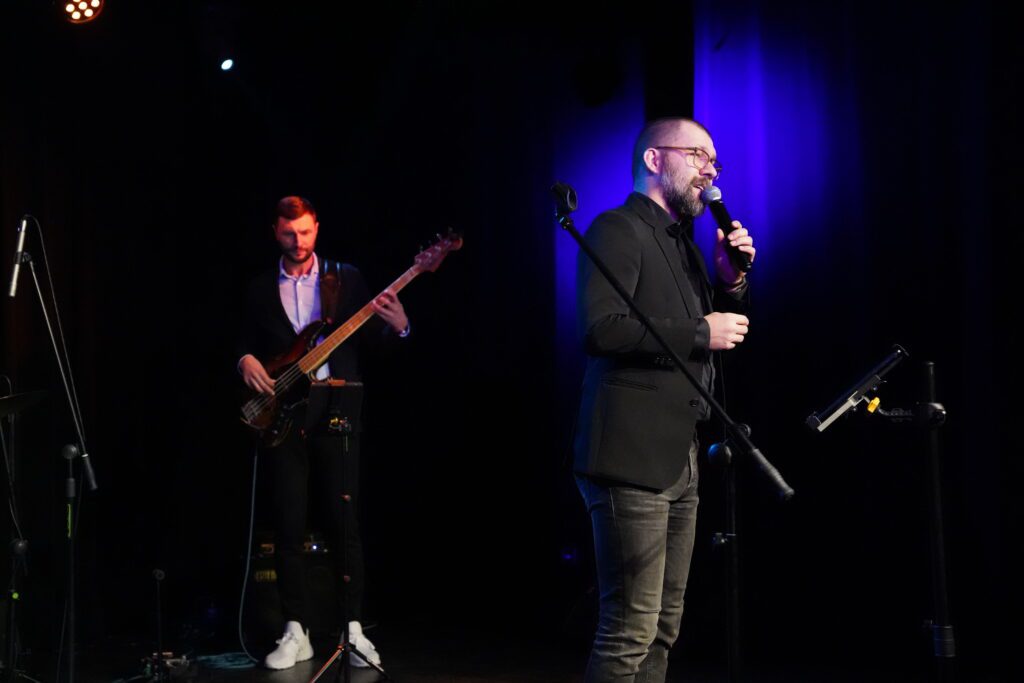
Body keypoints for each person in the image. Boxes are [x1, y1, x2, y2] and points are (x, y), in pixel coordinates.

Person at [573, 117, 754, 682]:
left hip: (679, 455)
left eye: (714, 162)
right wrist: (700, 331)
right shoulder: (617, 228)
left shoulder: (683, 244)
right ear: (654, 159)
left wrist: (728, 280)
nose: (710, 171)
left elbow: (710, 329)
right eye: (698, 156)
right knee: (630, 628)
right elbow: (602, 329)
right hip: (629, 454)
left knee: (663, 629)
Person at [237, 196, 409, 670]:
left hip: (336, 410)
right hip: (284, 416)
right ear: (275, 232)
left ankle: (352, 627)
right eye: (289, 233)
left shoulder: (345, 278)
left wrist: (399, 328)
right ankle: (296, 629)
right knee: (288, 523)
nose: (298, 241)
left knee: (344, 522)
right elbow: (241, 339)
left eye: (306, 232)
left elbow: (373, 343)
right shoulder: (259, 287)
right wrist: (244, 359)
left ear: (317, 228)